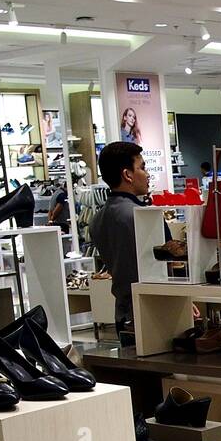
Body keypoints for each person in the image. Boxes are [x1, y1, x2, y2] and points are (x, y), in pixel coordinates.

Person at [90, 141, 149, 338]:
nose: (147, 174)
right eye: (142, 167)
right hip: (152, 309)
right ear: (127, 174)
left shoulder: (97, 219)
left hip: (122, 311)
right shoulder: (141, 217)